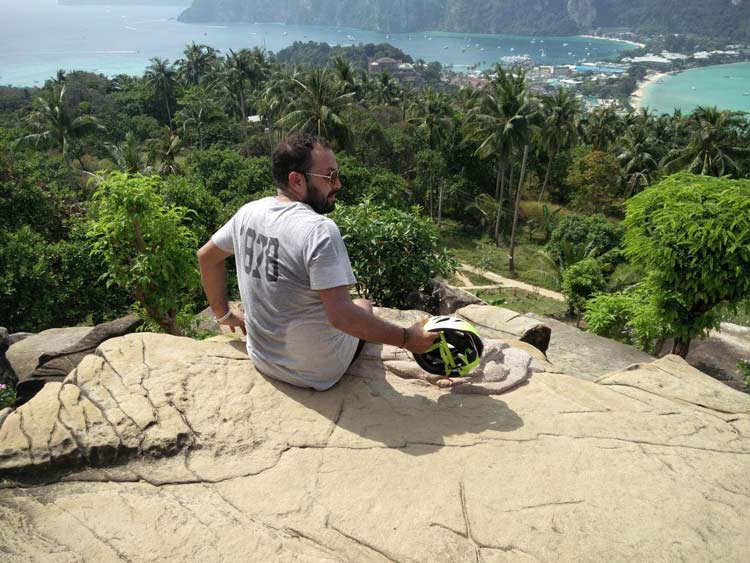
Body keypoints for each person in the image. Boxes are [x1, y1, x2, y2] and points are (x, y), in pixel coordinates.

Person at [197, 132, 437, 391]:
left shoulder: (249, 212)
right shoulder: (319, 230)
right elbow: (343, 317)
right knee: (363, 305)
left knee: (355, 305)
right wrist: (408, 338)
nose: (338, 184)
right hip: (318, 372)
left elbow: (206, 257)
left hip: (262, 359)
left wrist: (223, 314)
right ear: (297, 181)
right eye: (330, 176)